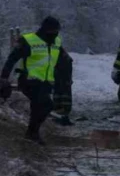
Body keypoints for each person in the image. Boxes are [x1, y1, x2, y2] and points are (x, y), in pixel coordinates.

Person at [0, 17, 66, 145]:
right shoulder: (28, 40)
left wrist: (62, 78)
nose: (55, 33)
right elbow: (12, 59)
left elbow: (59, 60)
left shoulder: (57, 41)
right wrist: (4, 78)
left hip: (46, 82)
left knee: (38, 108)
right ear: (45, 29)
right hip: (29, 80)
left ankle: (32, 134)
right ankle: (32, 133)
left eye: (57, 31)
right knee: (47, 105)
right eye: (53, 31)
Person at [52, 49, 74, 126]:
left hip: (61, 80)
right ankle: (63, 116)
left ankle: (61, 117)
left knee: (60, 98)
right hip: (63, 80)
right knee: (63, 98)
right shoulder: (62, 54)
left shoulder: (58, 54)